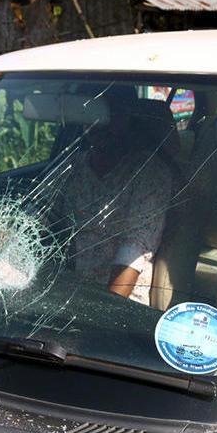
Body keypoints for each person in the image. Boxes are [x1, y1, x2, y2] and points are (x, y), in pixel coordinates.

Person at [56, 98, 175, 306]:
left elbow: (133, 250)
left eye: (109, 116)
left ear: (127, 118)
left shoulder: (149, 172)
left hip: (120, 306)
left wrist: (100, 315)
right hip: (65, 294)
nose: (99, 124)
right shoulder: (73, 167)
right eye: (92, 114)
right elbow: (37, 213)